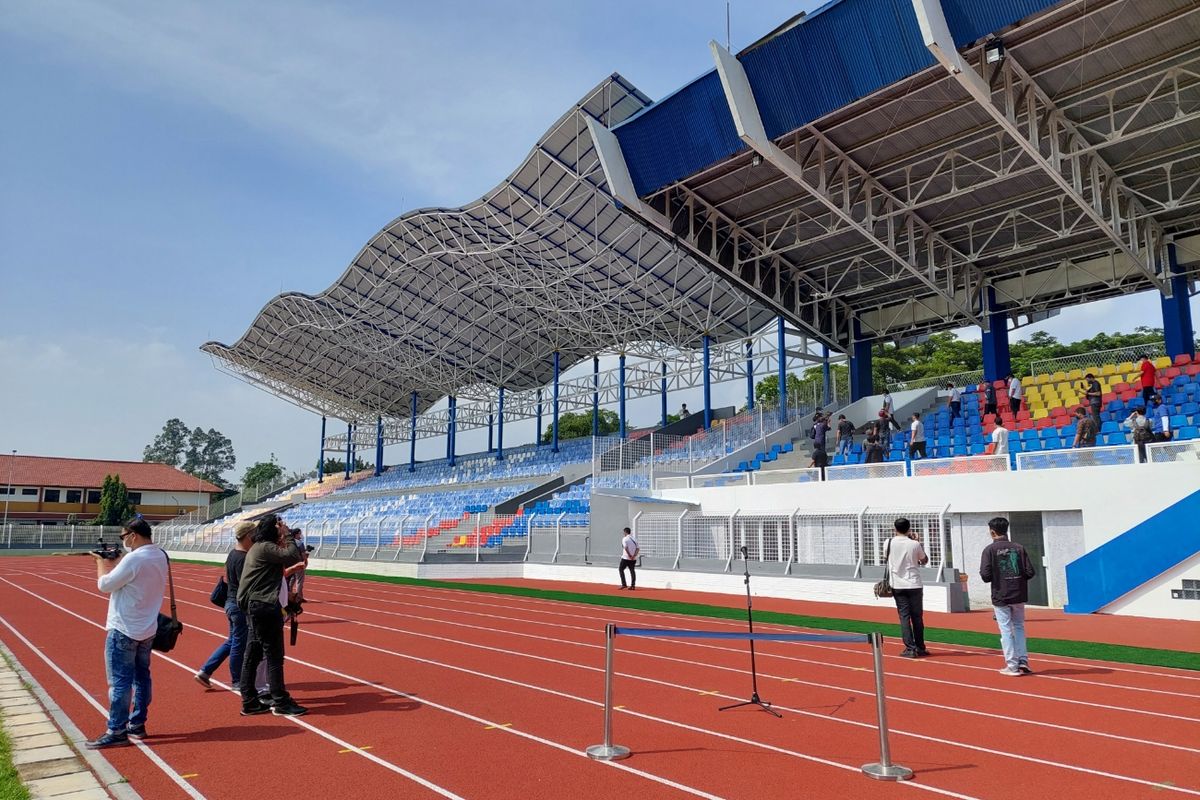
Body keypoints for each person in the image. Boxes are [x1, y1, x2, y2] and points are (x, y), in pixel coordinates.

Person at [85, 516, 168, 749]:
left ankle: (116, 729)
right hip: (148, 627)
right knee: (142, 678)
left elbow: (104, 585)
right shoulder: (160, 555)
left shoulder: (134, 559)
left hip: (124, 628)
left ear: (133, 535)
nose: (123, 541)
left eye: (124, 537)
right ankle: (138, 724)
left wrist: (101, 563)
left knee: (120, 683)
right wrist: (119, 561)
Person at [237, 514, 307, 717]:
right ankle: (281, 701)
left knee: (254, 654)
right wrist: (289, 535)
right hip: (264, 606)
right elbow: (293, 555)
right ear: (272, 530)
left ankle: (249, 701)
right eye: (279, 527)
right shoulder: (265, 547)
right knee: (274, 655)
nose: (282, 529)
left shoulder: (259, 547)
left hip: (257, 606)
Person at [195, 521, 254, 690]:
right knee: (238, 644)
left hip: (230, 602)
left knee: (232, 641)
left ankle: (205, 671)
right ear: (248, 535)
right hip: (238, 605)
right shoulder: (244, 559)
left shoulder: (233, 554)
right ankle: (237, 680)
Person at [979, 517, 1036, 676]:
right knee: (1019, 627)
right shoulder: (1019, 547)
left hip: (1001, 594)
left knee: (1005, 629)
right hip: (1018, 593)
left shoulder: (989, 550)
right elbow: (1030, 572)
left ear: (992, 532)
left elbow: (985, 575)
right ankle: (1023, 660)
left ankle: (1012, 665)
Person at [886, 518, 928, 658]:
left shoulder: (889, 542)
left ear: (895, 529)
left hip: (897, 584)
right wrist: (917, 541)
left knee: (904, 616)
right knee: (917, 617)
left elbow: (887, 558)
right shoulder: (915, 544)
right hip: (914, 584)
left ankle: (910, 648)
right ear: (909, 528)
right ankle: (920, 647)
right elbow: (924, 560)